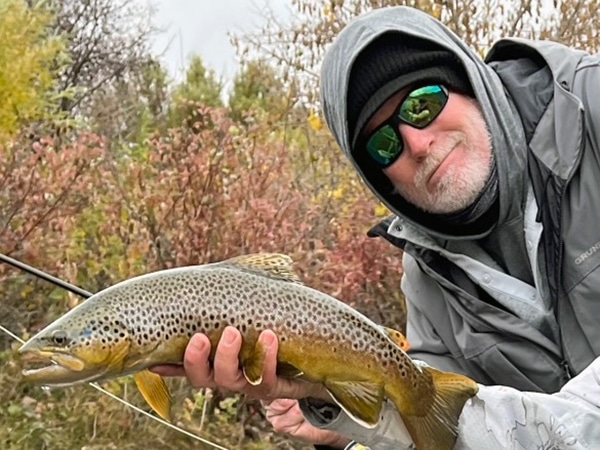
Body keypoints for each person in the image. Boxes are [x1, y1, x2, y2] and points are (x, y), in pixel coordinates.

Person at [152, 5, 600, 449]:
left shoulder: (592, 107)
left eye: (423, 104)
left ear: (470, 82)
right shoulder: (425, 281)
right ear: (378, 179)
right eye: (384, 144)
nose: (417, 144)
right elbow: (448, 429)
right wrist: (337, 406)